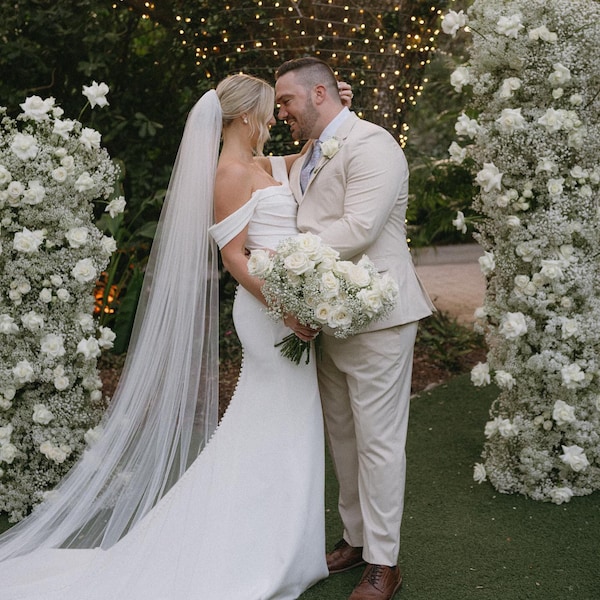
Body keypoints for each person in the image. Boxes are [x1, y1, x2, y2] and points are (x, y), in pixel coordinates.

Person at [0, 73, 350, 599]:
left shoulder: (261, 165)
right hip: (267, 313)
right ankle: (256, 548)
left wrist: (343, 108)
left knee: (287, 425)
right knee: (273, 421)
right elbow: (234, 257)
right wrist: (288, 309)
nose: (276, 118)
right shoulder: (230, 174)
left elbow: (311, 155)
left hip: (289, 310)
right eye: (268, 110)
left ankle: (280, 541)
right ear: (244, 117)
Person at [275, 57, 434, 600]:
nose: (281, 113)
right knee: (342, 435)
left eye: (287, 101)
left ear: (320, 94)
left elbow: (360, 228)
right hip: (329, 317)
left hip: (379, 315)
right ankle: (356, 539)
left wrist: (285, 259)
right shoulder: (308, 155)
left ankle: (384, 564)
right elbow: (257, 170)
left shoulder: (373, 144)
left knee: (379, 442)